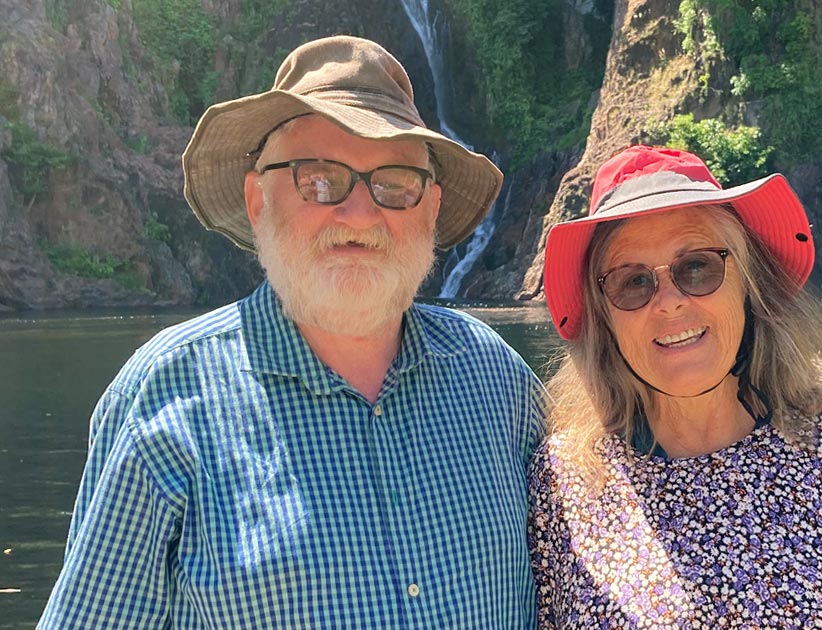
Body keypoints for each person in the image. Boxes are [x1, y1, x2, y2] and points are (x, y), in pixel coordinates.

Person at [38, 36, 545, 628]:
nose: (359, 214)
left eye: (396, 182)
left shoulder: (498, 381)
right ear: (259, 200)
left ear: (430, 208)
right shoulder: (161, 400)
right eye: (320, 178)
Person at [528, 145, 822, 628]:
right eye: (633, 282)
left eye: (697, 268)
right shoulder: (564, 485)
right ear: (605, 317)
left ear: (750, 285)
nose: (670, 303)